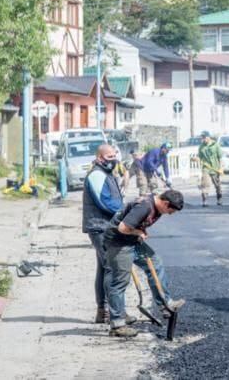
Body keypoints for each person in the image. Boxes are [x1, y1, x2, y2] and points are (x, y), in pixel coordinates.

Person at [102, 189, 185, 338]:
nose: (170, 214)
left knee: (155, 262)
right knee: (120, 281)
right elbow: (123, 228)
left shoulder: (157, 207)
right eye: (171, 211)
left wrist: (139, 232)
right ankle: (117, 324)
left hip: (131, 240)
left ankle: (165, 304)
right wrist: (138, 233)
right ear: (166, 203)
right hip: (118, 243)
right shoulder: (145, 206)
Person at [82, 144, 124, 324]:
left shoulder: (107, 173)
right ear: (99, 158)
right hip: (99, 227)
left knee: (103, 268)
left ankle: (103, 310)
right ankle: (113, 311)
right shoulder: (97, 174)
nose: (112, 160)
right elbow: (105, 202)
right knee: (111, 268)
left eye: (114, 156)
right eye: (108, 157)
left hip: (106, 226)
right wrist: (125, 213)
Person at [197, 132, 223, 207]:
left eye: (204, 138)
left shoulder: (215, 145)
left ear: (208, 137)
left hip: (215, 168)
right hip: (206, 168)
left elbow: (220, 157)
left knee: (217, 185)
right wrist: (196, 159)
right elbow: (200, 157)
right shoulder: (201, 147)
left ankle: (219, 199)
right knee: (205, 184)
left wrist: (221, 168)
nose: (203, 140)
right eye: (202, 138)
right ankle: (204, 201)